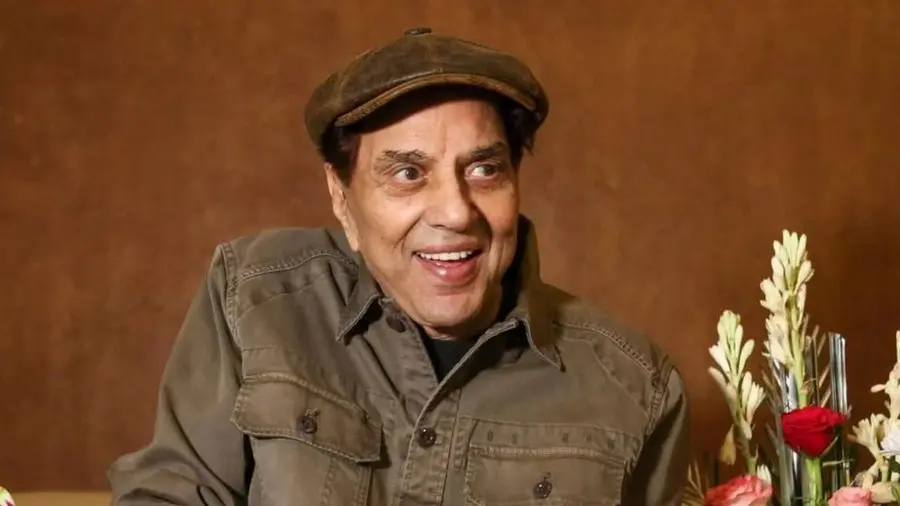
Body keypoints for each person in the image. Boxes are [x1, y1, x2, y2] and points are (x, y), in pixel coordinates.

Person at [109, 28, 691, 505]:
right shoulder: (257, 299)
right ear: (341, 198)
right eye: (409, 174)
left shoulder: (637, 387)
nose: (455, 212)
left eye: (484, 169)